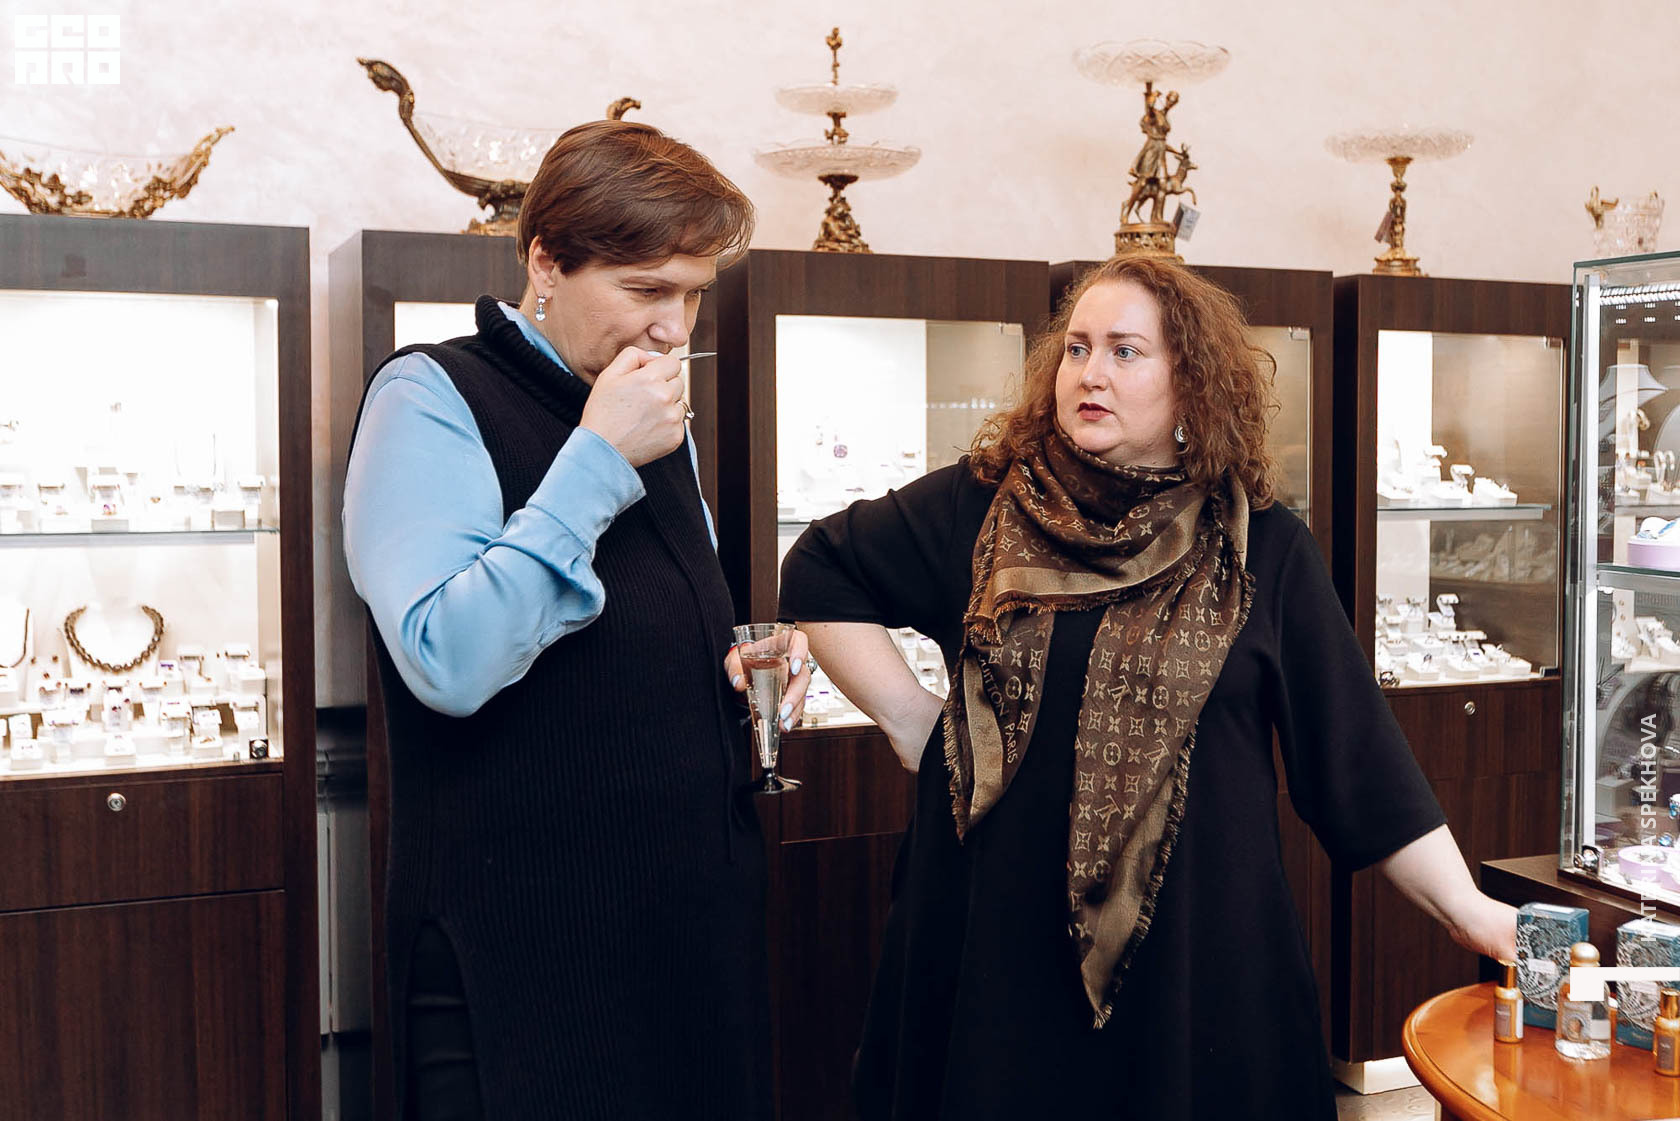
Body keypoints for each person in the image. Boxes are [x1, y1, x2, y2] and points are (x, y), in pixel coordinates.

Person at [778, 254, 1516, 1120]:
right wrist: (911, 720)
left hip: (1192, 964)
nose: (1090, 373)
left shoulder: (1262, 546)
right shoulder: (980, 509)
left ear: (1190, 381)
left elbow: (1358, 760)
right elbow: (819, 568)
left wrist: (1467, 907)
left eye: (1125, 351)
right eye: (1077, 348)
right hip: (994, 949)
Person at [344, 119, 809, 1121]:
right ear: (545, 261)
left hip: (685, 936)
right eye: (646, 290)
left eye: (693, 294)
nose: (674, 329)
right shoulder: (429, 396)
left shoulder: (646, 412)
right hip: (524, 954)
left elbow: (645, 619)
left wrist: (737, 656)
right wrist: (597, 458)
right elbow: (448, 659)